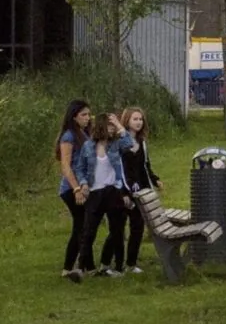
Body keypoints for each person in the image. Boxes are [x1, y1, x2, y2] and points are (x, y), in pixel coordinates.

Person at [98, 106, 160, 274]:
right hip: (121, 191)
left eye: (141, 119)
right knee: (117, 230)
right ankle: (105, 264)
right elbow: (118, 169)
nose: (139, 122)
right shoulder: (118, 142)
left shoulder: (142, 142)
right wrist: (123, 192)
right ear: (127, 121)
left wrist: (155, 180)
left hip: (139, 191)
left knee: (137, 227)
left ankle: (131, 263)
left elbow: (145, 166)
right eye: (135, 119)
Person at [79, 113, 137, 277]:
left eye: (113, 126)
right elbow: (80, 168)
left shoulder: (116, 144)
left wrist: (120, 126)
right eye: (109, 125)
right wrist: (82, 183)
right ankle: (82, 266)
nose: (112, 129)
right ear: (101, 126)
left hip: (112, 190)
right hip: (94, 192)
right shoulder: (88, 146)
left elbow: (130, 144)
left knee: (117, 230)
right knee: (89, 231)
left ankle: (119, 267)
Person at [55, 99, 97, 282]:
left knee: (87, 226)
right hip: (71, 188)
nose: (87, 118)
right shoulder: (69, 136)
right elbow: (65, 166)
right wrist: (76, 189)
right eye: (83, 115)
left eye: (89, 114)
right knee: (81, 226)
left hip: (85, 186)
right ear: (74, 117)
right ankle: (68, 267)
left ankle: (88, 266)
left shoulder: (84, 133)